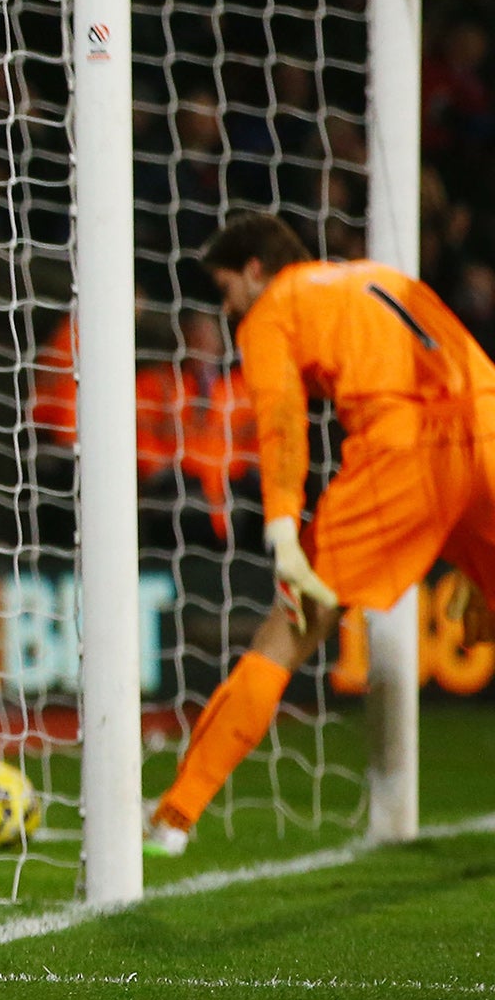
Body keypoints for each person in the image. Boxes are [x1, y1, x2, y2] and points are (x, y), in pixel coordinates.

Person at [146, 212, 495, 855]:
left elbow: (282, 423)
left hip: (402, 450)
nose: (227, 308)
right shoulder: (379, 277)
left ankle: (175, 813)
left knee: (285, 636)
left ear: (256, 269)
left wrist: (282, 525)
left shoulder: (274, 308)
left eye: (226, 289)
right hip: (486, 421)